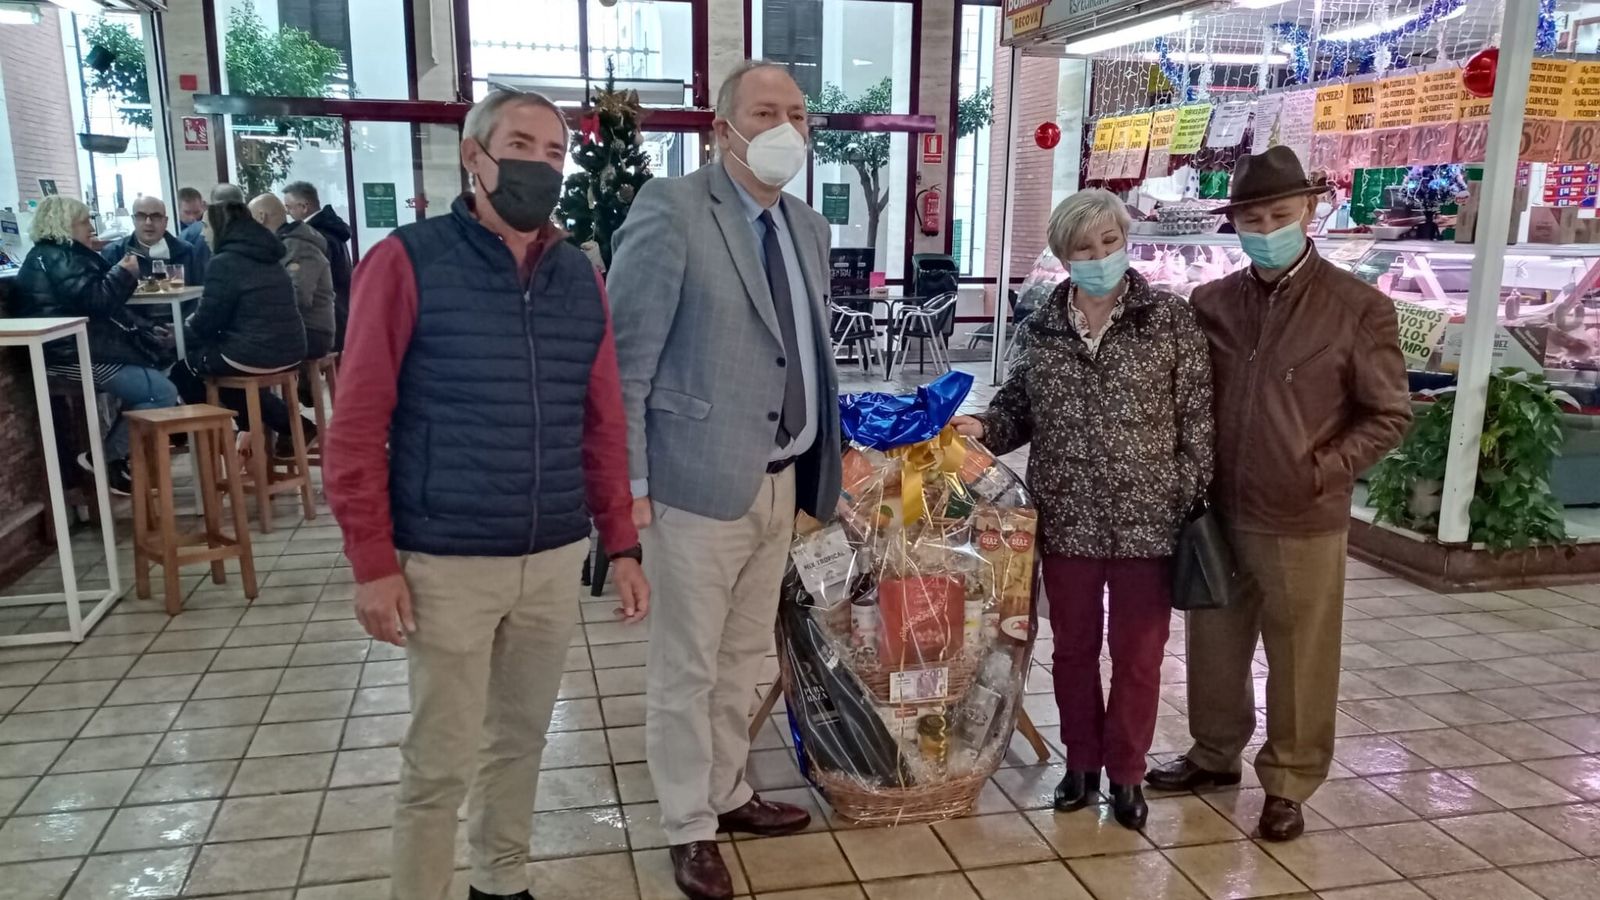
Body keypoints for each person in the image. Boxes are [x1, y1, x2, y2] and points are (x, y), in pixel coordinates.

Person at [323, 88, 647, 900]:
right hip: (447, 558)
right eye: (520, 145)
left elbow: (602, 420)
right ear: (475, 156)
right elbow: (356, 424)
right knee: (439, 759)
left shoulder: (580, 278)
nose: (540, 164)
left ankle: (500, 882)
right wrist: (372, 562)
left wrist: (620, 542)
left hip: (551, 555)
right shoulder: (407, 262)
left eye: (554, 151)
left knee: (522, 738)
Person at [609, 60, 842, 900]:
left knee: (746, 656)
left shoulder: (807, 227)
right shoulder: (671, 211)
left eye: (798, 114)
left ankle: (728, 789)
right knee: (688, 666)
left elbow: (803, 354)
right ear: (721, 129)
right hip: (693, 485)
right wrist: (631, 490)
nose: (786, 128)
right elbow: (627, 364)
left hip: (781, 482)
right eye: (765, 112)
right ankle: (687, 823)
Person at [1146, 147, 1412, 841]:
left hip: (1302, 514)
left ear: (1310, 210)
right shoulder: (1211, 303)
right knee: (1214, 642)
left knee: (1300, 656)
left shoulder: (1358, 308)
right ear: (1234, 223)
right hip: (1216, 509)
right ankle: (1213, 754)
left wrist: (1322, 469)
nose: (1266, 230)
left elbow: (1389, 414)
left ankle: (1290, 780)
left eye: (1279, 215)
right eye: (1252, 219)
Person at [952, 189, 1213, 831]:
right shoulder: (1041, 326)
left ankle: (1126, 773)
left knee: (1138, 655)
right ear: (1064, 256)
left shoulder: (1169, 319)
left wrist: (1180, 493)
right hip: (1066, 516)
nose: (1098, 257)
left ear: (1125, 240)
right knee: (1071, 651)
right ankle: (1081, 766)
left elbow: (1198, 423)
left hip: (1148, 521)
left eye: (1108, 241)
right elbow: (1018, 408)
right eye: (1082, 248)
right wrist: (982, 426)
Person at [11, 196, 180, 494]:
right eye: (84, 221)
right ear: (65, 225)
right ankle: (104, 459)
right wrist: (123, 273)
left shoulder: (53, 256)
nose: (91, 227)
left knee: (156, 381)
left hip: (72, 350)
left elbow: (101, 307)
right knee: (161, 391)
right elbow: (98, 303)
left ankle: (113, 461)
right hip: (70, 356)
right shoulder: (61, 258)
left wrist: (146, 329)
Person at [166, 199, 312, 447]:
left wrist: (177, 336)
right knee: (228, 378)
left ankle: (221, 443)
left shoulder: (223, 262)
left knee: (186, 371)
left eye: (206, 227)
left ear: (221, 227)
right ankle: (274, 430)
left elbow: (207, 323)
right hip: (292, 349)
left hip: (254, 353)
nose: (201, 234)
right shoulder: (269, 255)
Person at [249, 192, 336, 360]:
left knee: (241, 348)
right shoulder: (283, 245)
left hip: (312, 332)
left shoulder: (298, 247)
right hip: (298, 328)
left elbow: (299, 296)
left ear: (261, 217)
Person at [285, 181, 353, 350]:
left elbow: (309, 283)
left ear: (304, 206)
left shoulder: (313, 237)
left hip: (325, 316)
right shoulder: (332, 230)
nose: (287, 213)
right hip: (341, 309)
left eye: (289, 207)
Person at [100, 195, 208, 286]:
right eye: (141, 216)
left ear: (165, 221)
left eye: (155, 216)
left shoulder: (187, 251)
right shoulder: (114, 252)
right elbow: (107, 297)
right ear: (133, 220)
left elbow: (200, 291)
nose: (148, 222)